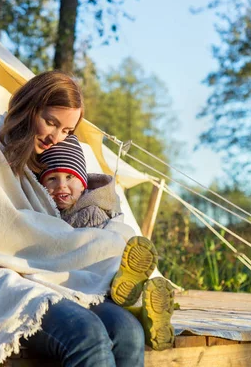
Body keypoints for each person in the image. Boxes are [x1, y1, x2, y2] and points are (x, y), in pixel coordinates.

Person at [0, 70, 148, 367]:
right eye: (51, 122)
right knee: (87, 335)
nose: (55, 137)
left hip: (39, 275)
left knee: (128, 332)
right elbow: (6, 233)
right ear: (28, 107)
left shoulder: (42, 161)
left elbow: (54, 230)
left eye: (66, 131)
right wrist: (97, 244)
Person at [38, 134, 175, 351]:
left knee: (110, 275)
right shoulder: (51, 211)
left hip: (98, 268)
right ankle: (145, 314)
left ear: (83, 183)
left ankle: (132, 291)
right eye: (52, 179)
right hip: (103, 285)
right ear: (41, 185)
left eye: (69, 177)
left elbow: (88, 248)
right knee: (124, 303)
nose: (61, 186)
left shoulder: (90, 211)